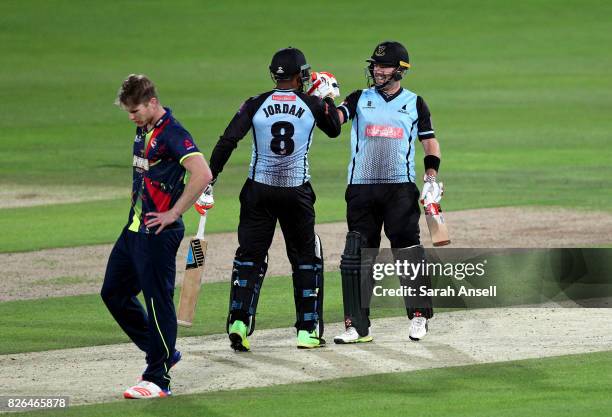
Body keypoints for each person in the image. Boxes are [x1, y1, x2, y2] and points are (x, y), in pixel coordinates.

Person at [209, 47, 341, 351]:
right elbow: (334, 129)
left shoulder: (255, 103)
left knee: (250, 257)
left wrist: (209, 178)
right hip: (296, 191)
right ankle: (307, 331)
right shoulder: (311, 103)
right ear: (299, 76)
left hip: (259, 191)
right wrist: (327, 98)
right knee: (306, 260)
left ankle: (239, 323)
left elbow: (228, 140)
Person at [101, 74, 212, 399]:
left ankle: (158, 378)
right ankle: (163, 352)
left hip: (158, 232)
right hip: (134, 229)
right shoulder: (144, 128)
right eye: (128, 112)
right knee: (114, 293)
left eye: (135, 110)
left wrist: (175, 213)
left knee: (157, 300)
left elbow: (202, 172)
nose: (131, 117)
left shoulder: (172, 134)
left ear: (152, 102)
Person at [332, 41, 442, 344]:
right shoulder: (358, 98)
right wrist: (325, 101)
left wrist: (431, 176)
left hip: (399, 188)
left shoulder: (415, 103)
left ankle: (419, 317)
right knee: (360, 255)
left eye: (384, 66)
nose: (377, 70)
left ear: (400, 70)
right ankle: (356, 324)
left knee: (407, 251)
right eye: (375, 65)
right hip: (361, 188)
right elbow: (333, 122)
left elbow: (429, 142)